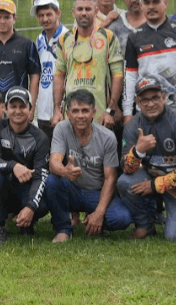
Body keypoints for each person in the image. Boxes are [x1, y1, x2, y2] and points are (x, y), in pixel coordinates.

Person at [118, 78, 176, 240]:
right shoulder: (132, 125)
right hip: (150, 175)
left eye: (155, 98)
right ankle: (145, 225)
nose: (150, 104)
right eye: (145, 100)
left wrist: (155, 186)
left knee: (175, 237)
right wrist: (138, 151)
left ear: (163, 97)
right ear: (137, 102)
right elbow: (126, 168)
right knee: (124, 182)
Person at [44, 89, 131, 241]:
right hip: (72, 189)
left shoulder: (107, 137)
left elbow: (110, 178)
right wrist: (65, 172)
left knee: (121, 219)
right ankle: (63, 229)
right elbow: (53, 163)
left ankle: (95, 222)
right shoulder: (61, 129)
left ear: (94, 113)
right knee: (52, 181)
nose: (80, 116)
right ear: (68, 113)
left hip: (96, 192)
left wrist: (99, 213)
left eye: (85, 110)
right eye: (75, 111)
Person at [0, 88, 54, 243]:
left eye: (22, 106)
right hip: (3, 188)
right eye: (13, 106)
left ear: (30, 109)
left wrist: (31, 206)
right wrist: (14, 166)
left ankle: (26, 222)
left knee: (42, 204)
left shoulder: (40, 138)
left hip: (26, 188)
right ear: (6, 108)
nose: (17, 111)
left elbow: (41, 176)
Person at [54, 0, 125, 130]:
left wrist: (111, 109)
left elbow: (117, 75)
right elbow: (59, 75)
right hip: (72, 114)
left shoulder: (108, 37)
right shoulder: (64, 39)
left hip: (100, 114)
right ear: (73, 12)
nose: (84, 13)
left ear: (96, 11)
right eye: (80, 9)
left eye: (88, 9)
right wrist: (57, 109)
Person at [32, 0, 66, 131]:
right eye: (41, 15)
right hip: (42, 110)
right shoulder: (39, 39)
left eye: (49, 14)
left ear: (58, 13)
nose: (45, 19)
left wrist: (60, 108)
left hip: (62, 112)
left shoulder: (68, 37)